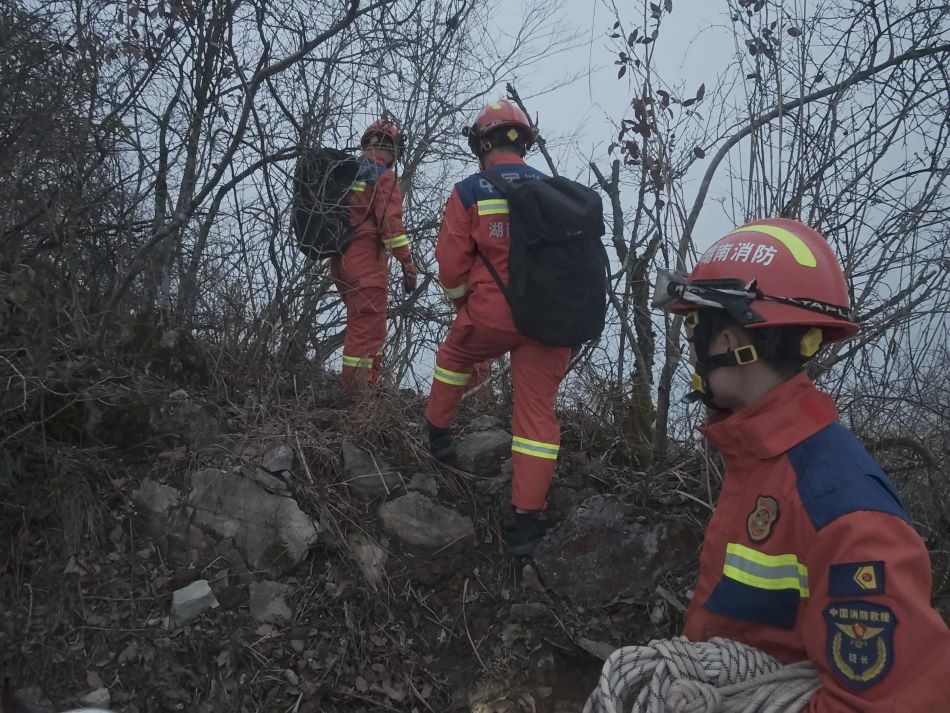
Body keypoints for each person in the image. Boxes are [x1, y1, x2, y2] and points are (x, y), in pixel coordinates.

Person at [653, 217, 950, 710]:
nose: (691, 350)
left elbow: (888, 701)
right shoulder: (765, 459)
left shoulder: (841, 505)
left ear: (728, 341)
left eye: (693, 327)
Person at [424, 99, 572, 555]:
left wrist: (465, 304)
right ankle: (526, 523)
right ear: (523, 142)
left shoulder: (470, 191)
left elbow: (450, 265)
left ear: (482, 144)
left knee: (453, 359)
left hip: (489, 314)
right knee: (535, 418)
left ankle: (437, 437)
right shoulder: (557, 192)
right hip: (550, 323)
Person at [330, 118, 416, 396]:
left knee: (369, 326)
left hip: (340, 262)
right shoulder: (382, 175)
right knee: (367, 326)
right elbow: (391, 226)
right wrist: (407, 262)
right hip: (366, 261)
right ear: (392, 149)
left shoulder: (346, 172)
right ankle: (357, 397)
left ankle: (369, 385)